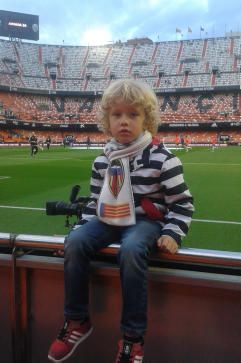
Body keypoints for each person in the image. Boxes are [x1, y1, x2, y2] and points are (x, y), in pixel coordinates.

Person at [48, 79, 194, 363]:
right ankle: (77, 320)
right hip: (108, 219)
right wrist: (76, 232)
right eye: (117, 115)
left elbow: (182, 203)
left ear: (147, 118)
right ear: (107, 120)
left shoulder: (164, 159)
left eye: (133, 114)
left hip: (144, 223)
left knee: (131, 249)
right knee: (76, 242)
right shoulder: (102, 160)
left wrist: (173, 233)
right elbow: (94, 204)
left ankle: (132, 338)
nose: (124, 121)